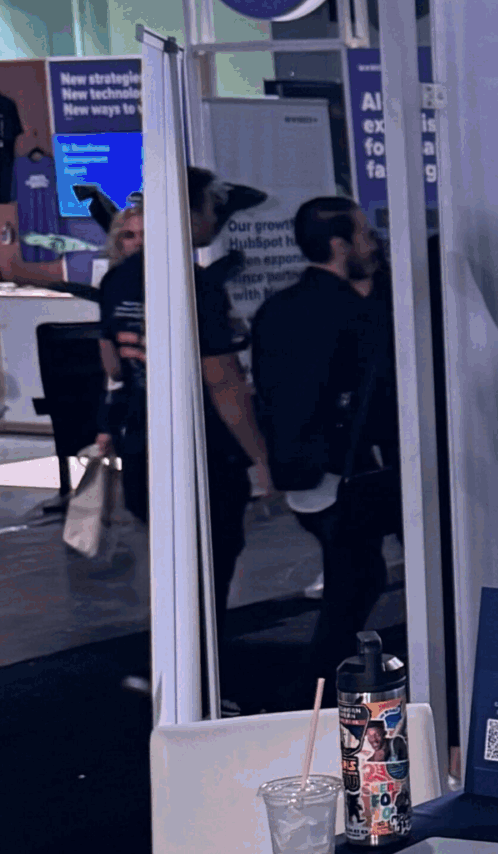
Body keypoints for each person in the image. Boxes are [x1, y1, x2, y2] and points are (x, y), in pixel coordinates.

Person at [97, 168, 276, 603]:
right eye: (213, 208)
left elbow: (114, 367)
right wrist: (261, 458)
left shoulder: (116, 280)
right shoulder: (197, 285)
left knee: (172, 568)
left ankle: (176, 643)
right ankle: (203, 645)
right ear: (189, 214)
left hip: (144, 443)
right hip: (202, 451)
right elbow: (223, 382)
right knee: (211, 566)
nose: (216, 219)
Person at [251, 196, 401, 680]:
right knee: (354, 583)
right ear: (340, 245)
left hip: (305, 471)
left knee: (357, 577)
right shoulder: (351, 312)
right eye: (364, 234)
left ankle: (323, 685)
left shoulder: (277, 310)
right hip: (348, 470)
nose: (372, 243)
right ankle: (320, 688)